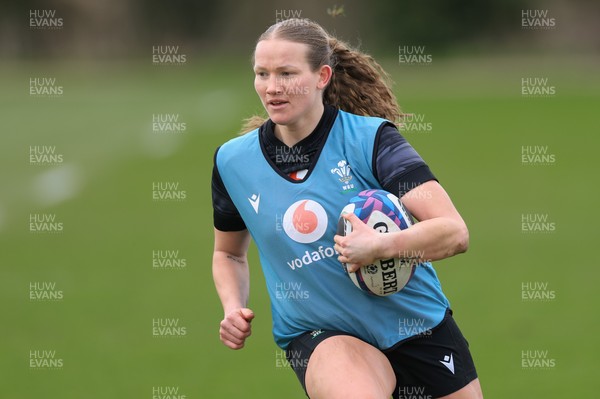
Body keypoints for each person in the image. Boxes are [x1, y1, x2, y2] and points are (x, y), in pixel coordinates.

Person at [211, 18, 483, 399]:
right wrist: (232, 307)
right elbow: (228, 254)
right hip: (320, 335)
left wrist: (383, 247)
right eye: (262, 73)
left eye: (287, 73)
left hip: (415, 324)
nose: (272, 87)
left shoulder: (371, 140)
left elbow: (454, 232)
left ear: (322, 75)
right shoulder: (233, 162)